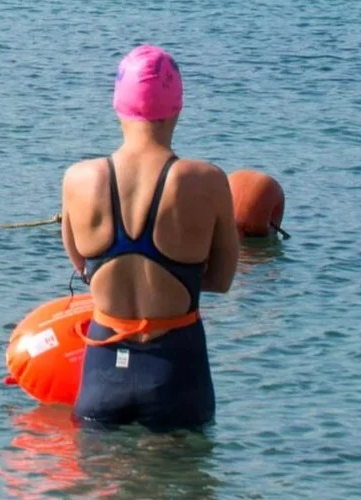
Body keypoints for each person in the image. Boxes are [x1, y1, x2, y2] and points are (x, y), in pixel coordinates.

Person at [61, 45, 239, 432]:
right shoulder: (207, 181)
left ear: (117, 106)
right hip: (176, 371)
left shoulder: (78, 179)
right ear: (178, 107)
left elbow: (84, 268)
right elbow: (221, 280)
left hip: (103, 370)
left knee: (99, 469)